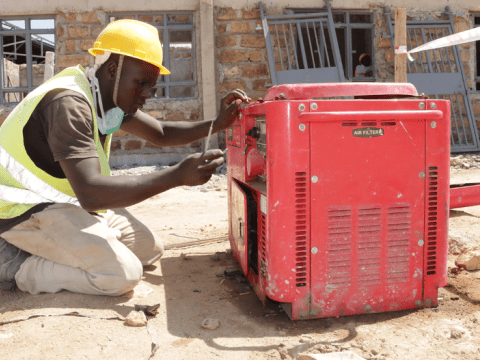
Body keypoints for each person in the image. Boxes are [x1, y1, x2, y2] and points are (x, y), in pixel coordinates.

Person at [0, 20, 249, 295]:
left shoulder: (106, 99)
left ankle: (67, 244)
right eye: (141, 83)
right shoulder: (68, 103)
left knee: (149, 250)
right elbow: (92, 193)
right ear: (112, 70)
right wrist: (176, 176)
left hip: (66, 202)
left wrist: (217, 123)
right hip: (21, 210)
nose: (147, 94)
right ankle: (15, 265)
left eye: (152, 87)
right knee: (120, 275)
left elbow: (162, 133)